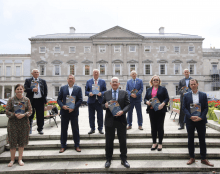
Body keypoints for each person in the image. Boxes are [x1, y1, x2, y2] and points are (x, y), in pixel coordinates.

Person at [182, 79, 214, 167]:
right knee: (190, 140)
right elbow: (184, 108)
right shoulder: (186, 95)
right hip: (190, 120)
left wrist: (201, 117)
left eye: (194, 84)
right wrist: (190, 116)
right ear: (190, 86)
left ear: (197, 84)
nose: (193, 86)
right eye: (191, 84)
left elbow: (205, 108)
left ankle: (203, 158)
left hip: (200, 120)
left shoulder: (203, 95)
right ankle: (192, 157)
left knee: (202, 140)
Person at [102, 77, 131, 168]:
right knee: (109, 141)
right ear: (110, 84)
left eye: (116, 82)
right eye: (113, 82)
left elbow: (128, 105)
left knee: (122, 141)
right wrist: (105, 106)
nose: (114, 83)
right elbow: (102, 105)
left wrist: (123, 111)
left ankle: (124, 159)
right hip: (109, 120)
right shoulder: (106, 93)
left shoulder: (124, 93)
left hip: (121, 120)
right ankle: (108, 159)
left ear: (119, 84)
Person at [6, 84, 32, 167]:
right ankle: (12, 160)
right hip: (13, 123)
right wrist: (14, 114)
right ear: (15, 90)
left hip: (23, 123)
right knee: (12, 143)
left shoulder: (26, 99)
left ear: (23, 90)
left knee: (21, 142)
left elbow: (30, 111)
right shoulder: (11, 99)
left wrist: (24, 114)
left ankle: (20, 159)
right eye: (18, 89)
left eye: (21, 89)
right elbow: (7, 111)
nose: (19, 90)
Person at [57, 74, 82, 153]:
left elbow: (80, 100)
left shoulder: (78, 88)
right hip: (64, 112)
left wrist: (73, 107)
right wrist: (62, 106)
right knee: (64, 130)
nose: (71, 79)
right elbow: (58, 99)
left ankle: (77, 145)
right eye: (69, 78)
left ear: (74, 80)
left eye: (72, 78)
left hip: (74, 112)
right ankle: (63, 146)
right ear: (67, 80)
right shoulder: (63, 88)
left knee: (75, 129)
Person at [144, 75, 169, 151]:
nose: (155, 81)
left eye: (157, 80)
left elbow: (167, 98)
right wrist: (147, 102)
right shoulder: (148, 89)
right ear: (152, 81)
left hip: (160, 110)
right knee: (153, 127)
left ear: (159, 81)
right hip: (151, 110)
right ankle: (154, 142)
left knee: (160, 126)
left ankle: (160, 143)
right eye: (154, 80)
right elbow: (145, 98)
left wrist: (163, 104)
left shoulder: (163, 89)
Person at [24, 69, 48, 134]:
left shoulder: (43, 81)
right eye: (35, 72)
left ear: (39, 73)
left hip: (40, 100)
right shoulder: (28, 80)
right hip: (31, 101)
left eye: (37, 72)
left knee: (40, 115)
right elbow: (25, 89)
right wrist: (32, 90)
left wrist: (44, 98)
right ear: (32, 73)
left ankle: (40, 129)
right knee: (30, 115)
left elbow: (45, 91)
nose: (36, 73)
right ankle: (29, 129)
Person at [85, 69, 107, 134]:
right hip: (91, 101)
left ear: (99, 74)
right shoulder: (89, 81)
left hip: (99, 101)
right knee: (91, 116)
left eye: (97, 72)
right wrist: (89, 93)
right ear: (93, 74)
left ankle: (100, 129)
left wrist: (101, 93)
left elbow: (105, 91)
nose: (96, 74)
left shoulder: (102, 81)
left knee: (100, 116)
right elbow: (86, 92)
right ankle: (92, 129)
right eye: (95, 72)